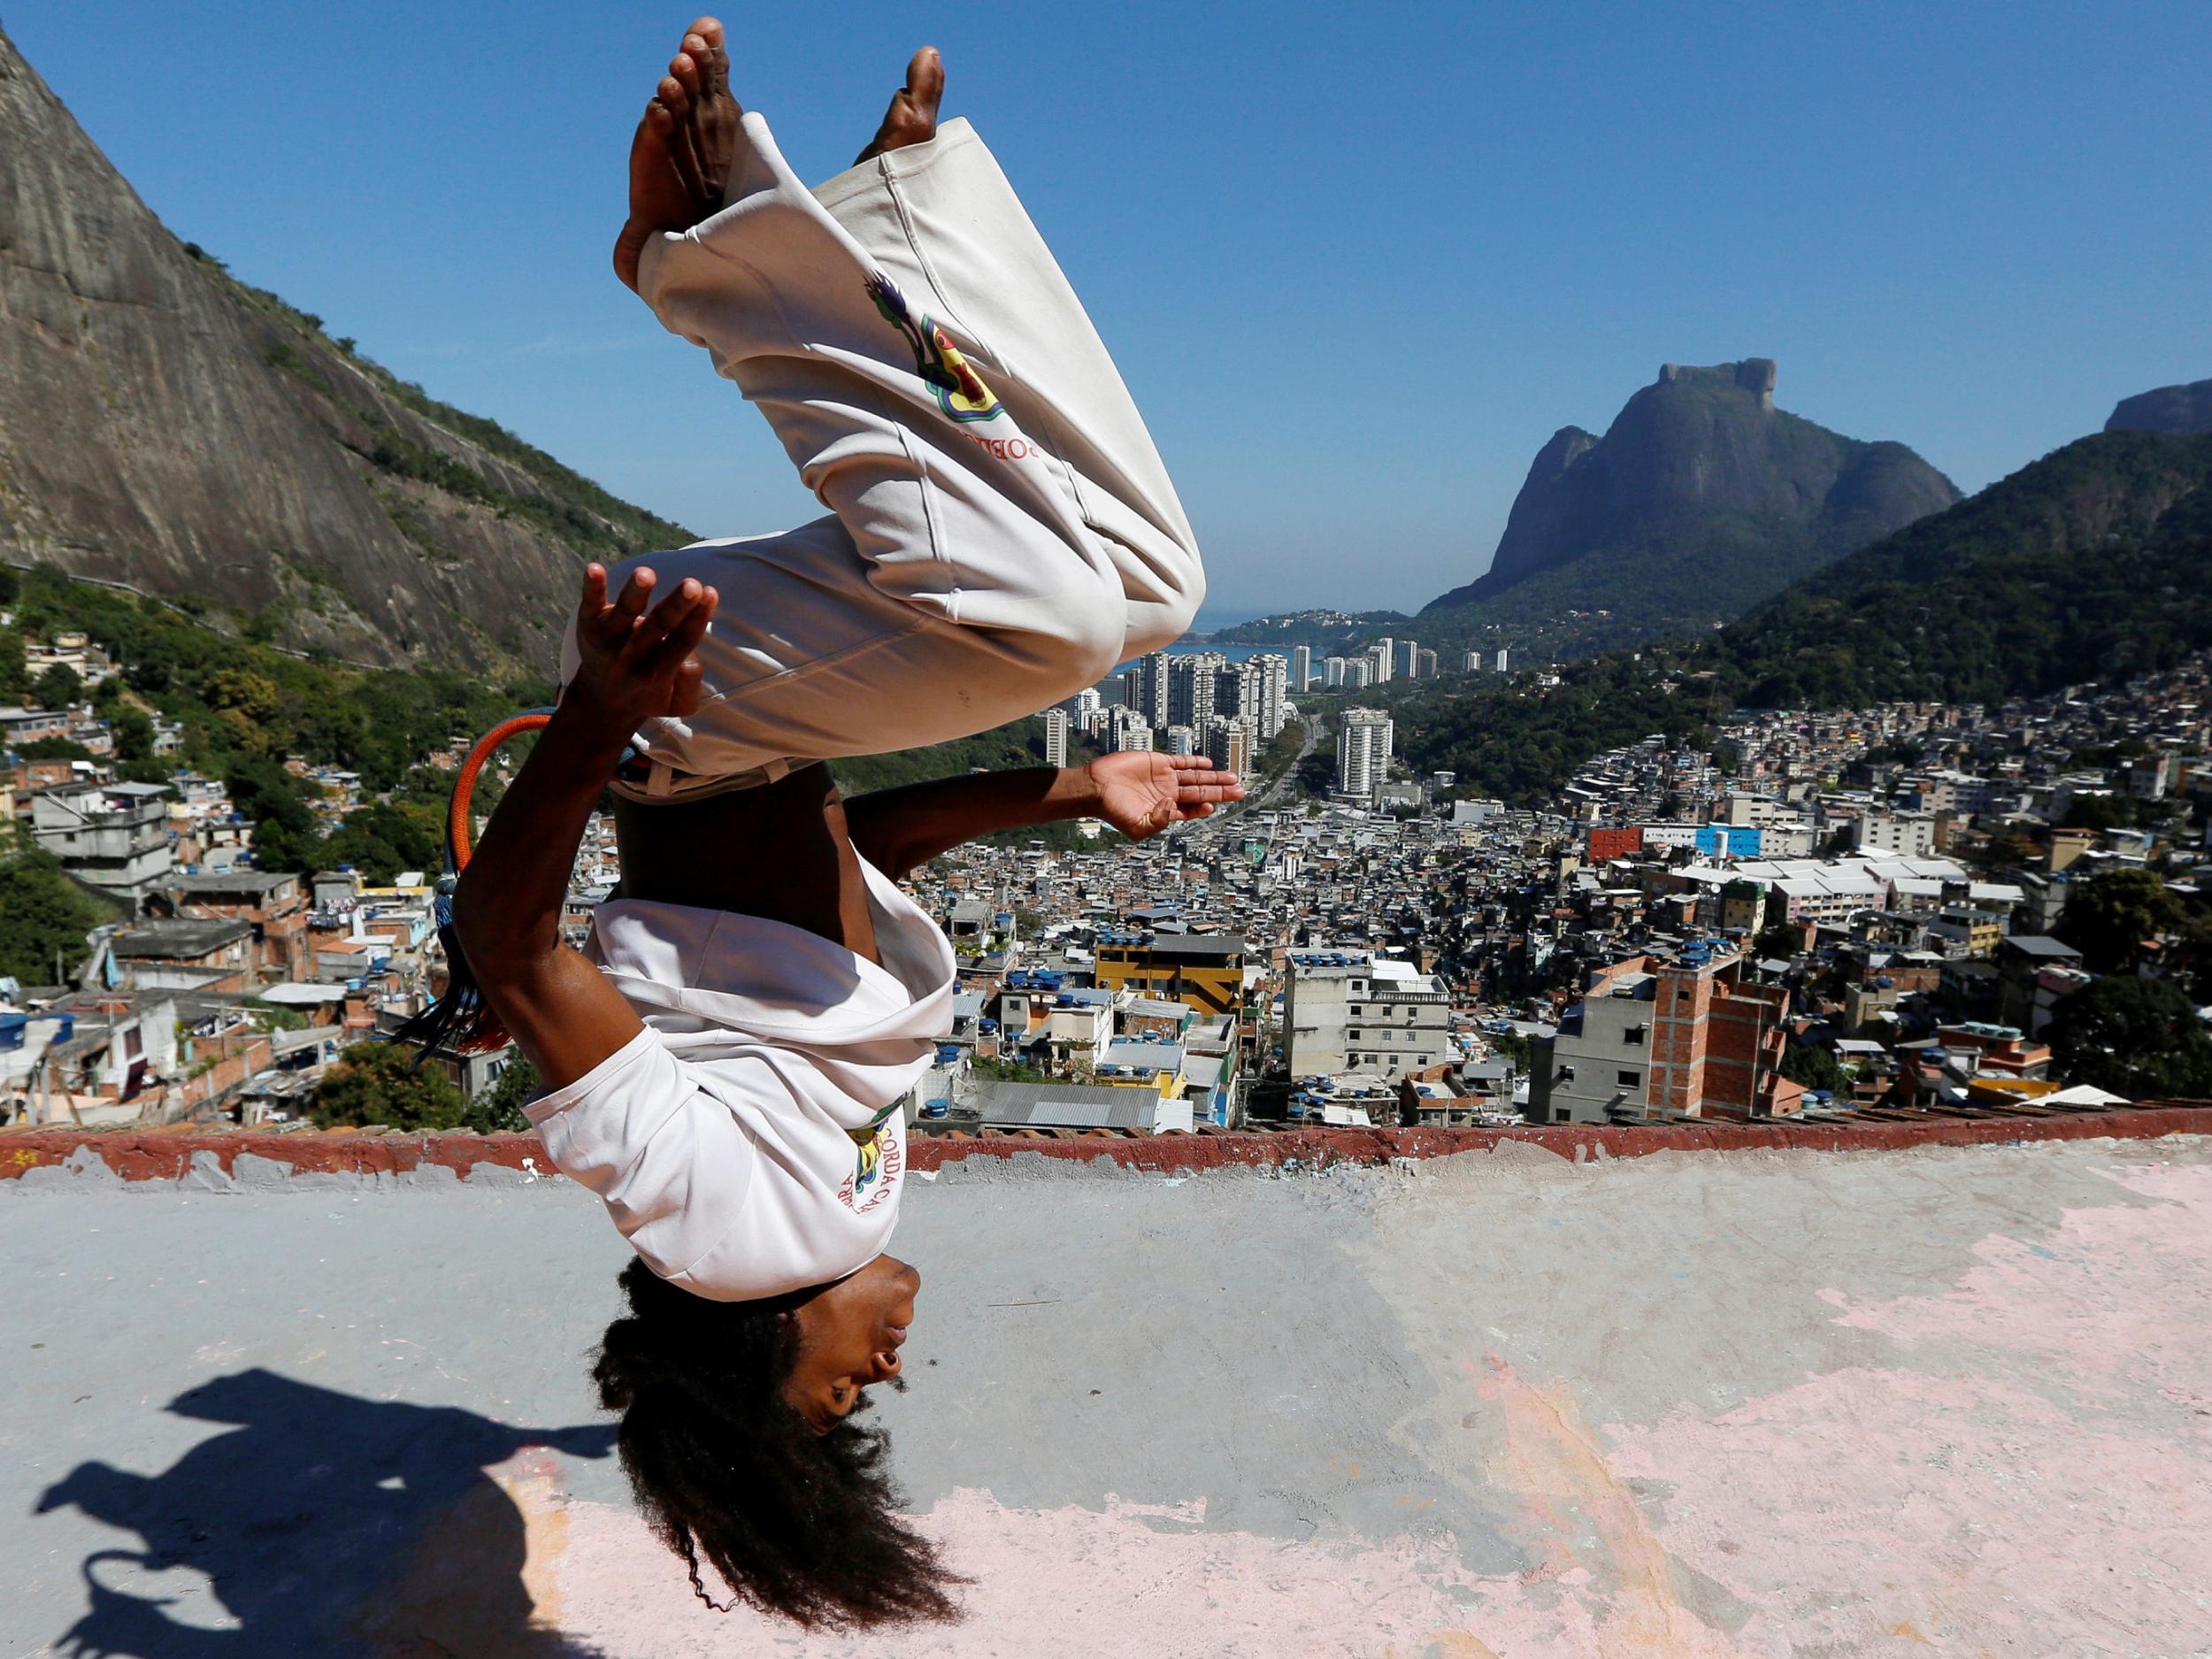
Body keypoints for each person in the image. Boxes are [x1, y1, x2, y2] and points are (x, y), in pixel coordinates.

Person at [444, 19, 1233, 1631]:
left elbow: (503, 945)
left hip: (680, 733)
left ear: (747, 1367)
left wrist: (599, 711)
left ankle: (697, 260)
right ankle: (902, 218)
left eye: (838, 1405)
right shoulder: (835, 1208)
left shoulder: (713, 1233)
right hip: (768, 747)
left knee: (1054, 624)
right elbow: (859, 870)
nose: (886, 1371)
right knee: (1153, 595)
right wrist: (1067, 793)